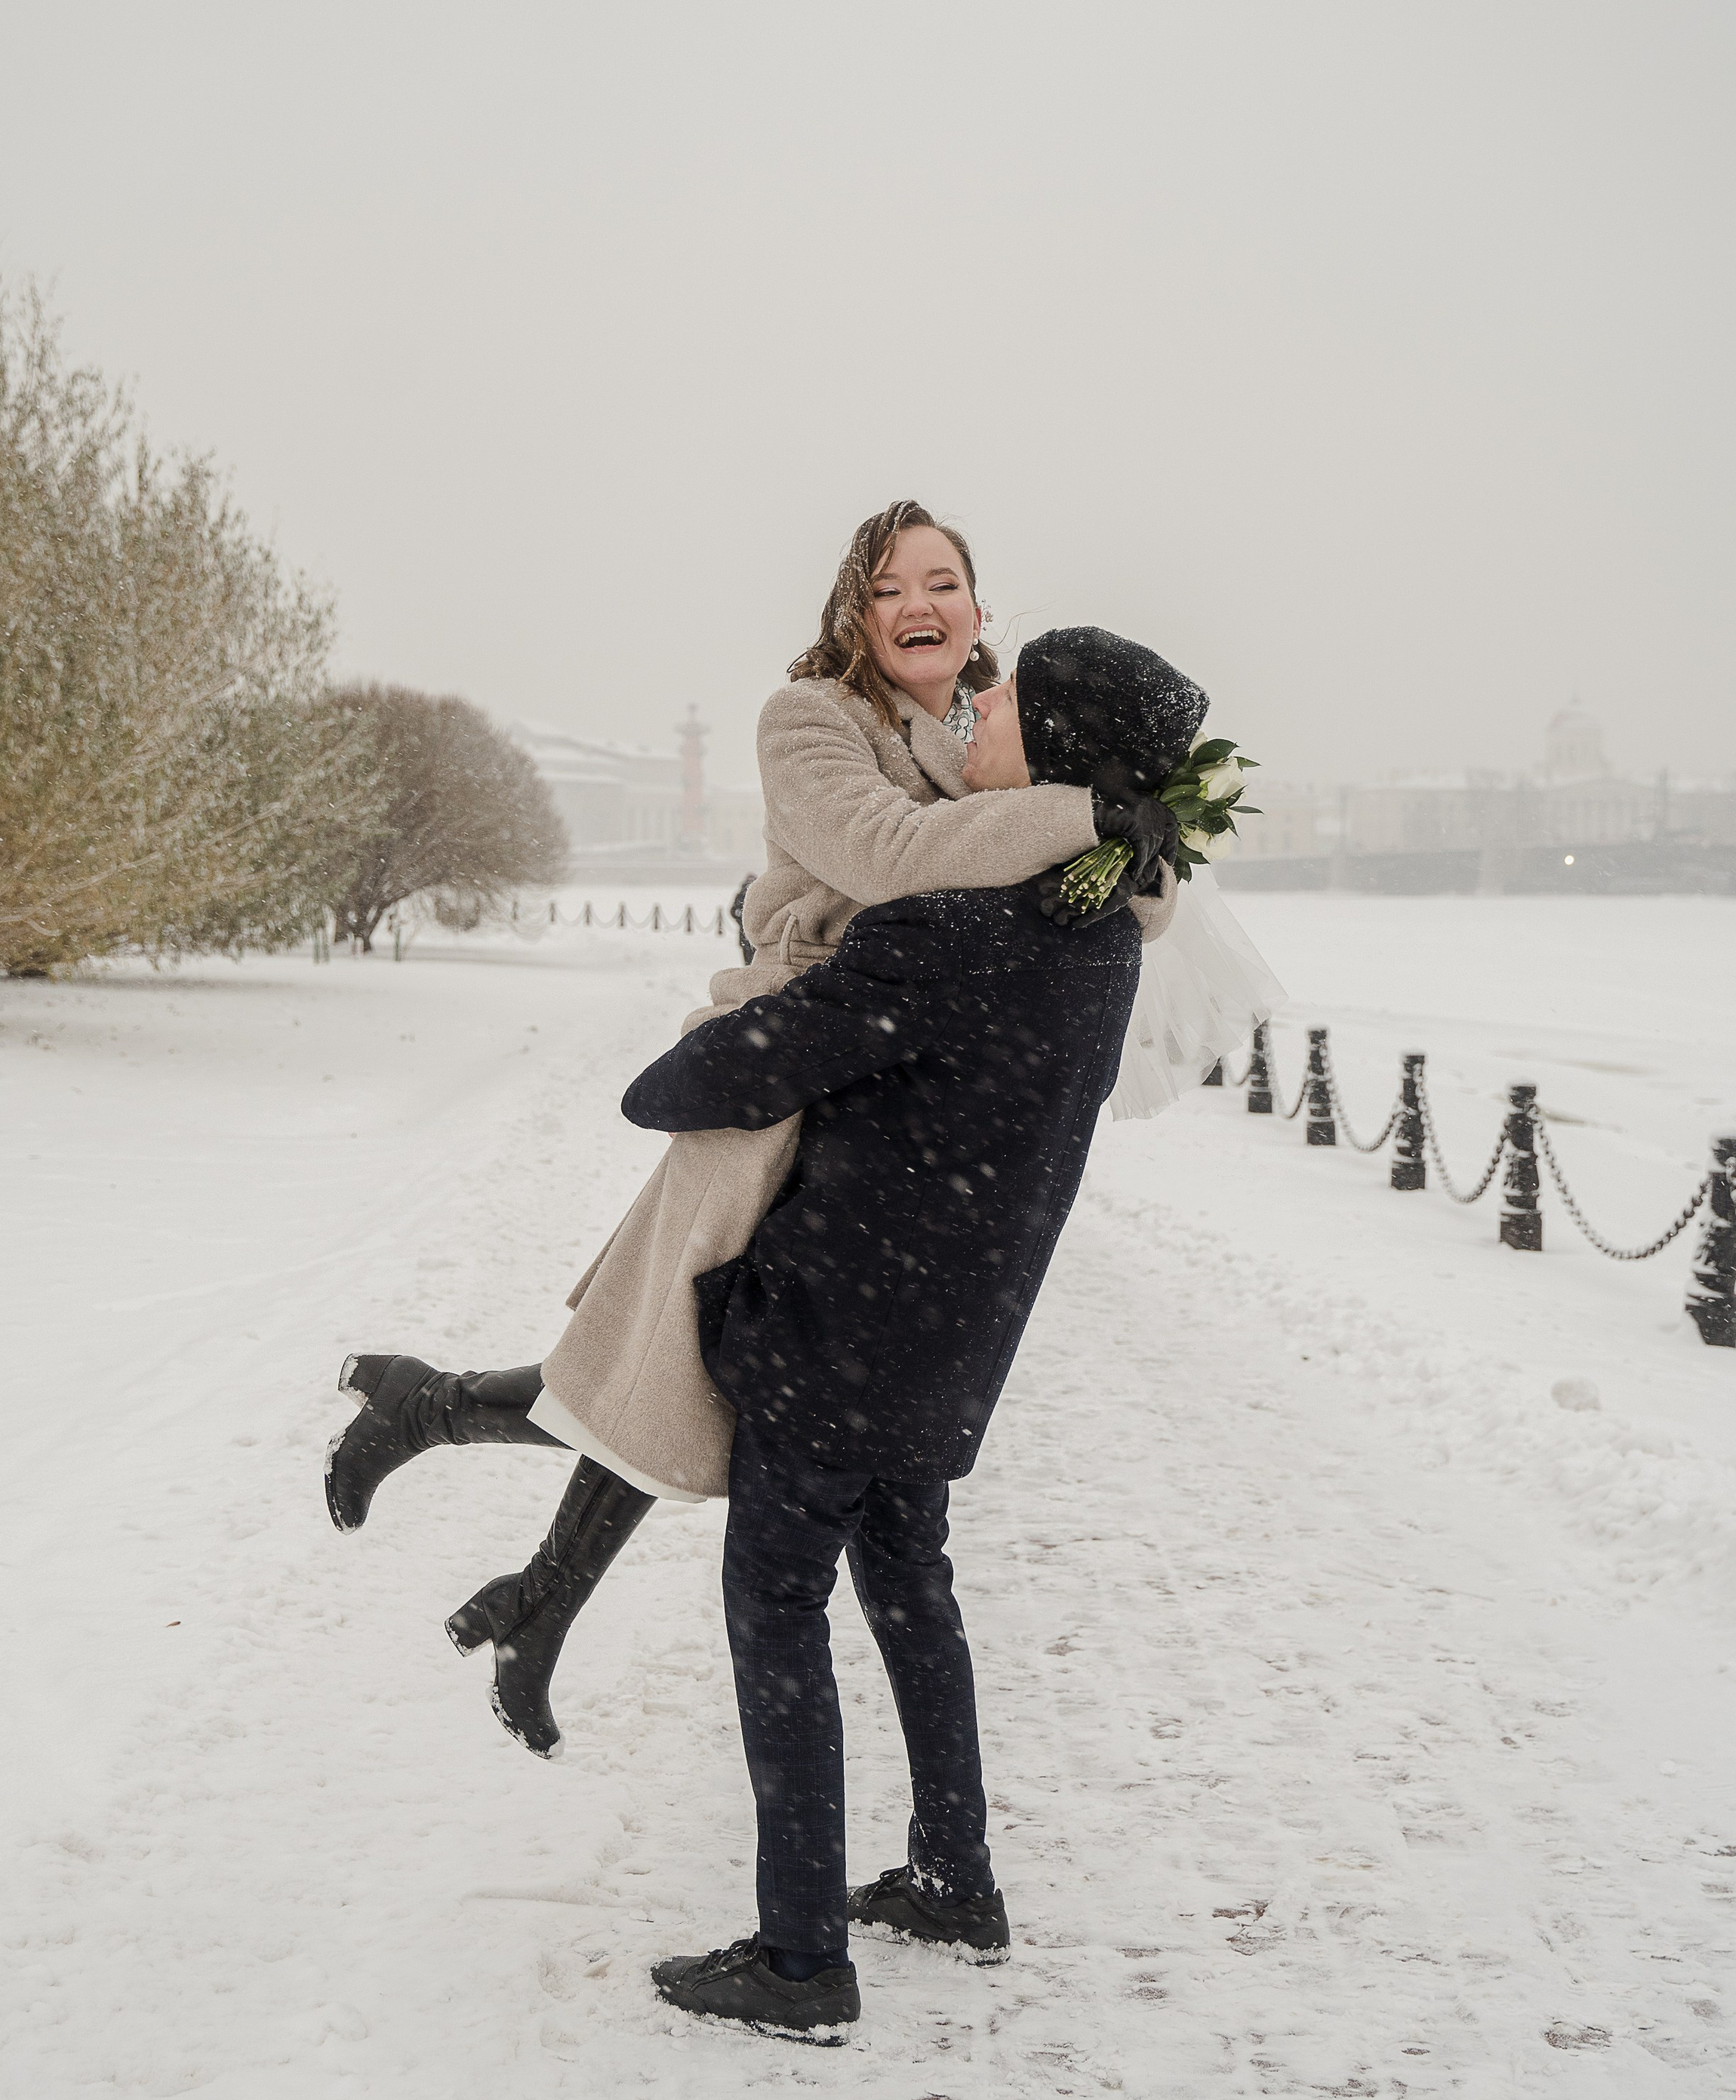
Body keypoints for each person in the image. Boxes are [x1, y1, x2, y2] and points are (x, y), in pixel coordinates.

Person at [325, 503, 1178, 1757]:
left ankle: (526, 1583)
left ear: (980, 607)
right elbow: (891, 856)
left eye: (947, 579)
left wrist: (1137, 846)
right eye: (893, 587)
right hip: (785, 1059)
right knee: (663, 1366)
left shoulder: (990, 730)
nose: (922, 603)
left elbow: (1106, 909)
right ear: (857, 609)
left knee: (678, 1377)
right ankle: (433, 1418)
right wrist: (1083, 815)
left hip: (885, 1086)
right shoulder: (812, 722)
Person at [636, 625, 1208, 2039]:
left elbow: (688, 1084)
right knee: (910, 1580)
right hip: (956, 1337)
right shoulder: (1103, 931)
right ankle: (956, 1873)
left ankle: (798, 1956)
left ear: (1055, 749)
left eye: (1008, 697)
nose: (981, 699)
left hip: (840, 1328)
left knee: (776, 1604)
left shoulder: (947, 931)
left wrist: (766, 972)